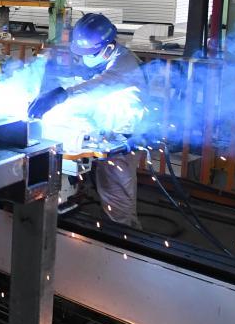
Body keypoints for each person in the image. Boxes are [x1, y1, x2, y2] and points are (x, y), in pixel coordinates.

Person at [27, 13, 147, 228]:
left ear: (108, 47)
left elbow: (99, 85)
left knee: (116, 194)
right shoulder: (104, 58)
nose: (85, 58)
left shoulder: (123, 63)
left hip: (123, 135)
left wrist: (60, 95)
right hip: (106, 127)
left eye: (90, 53)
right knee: (104, 185)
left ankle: (124, 235)